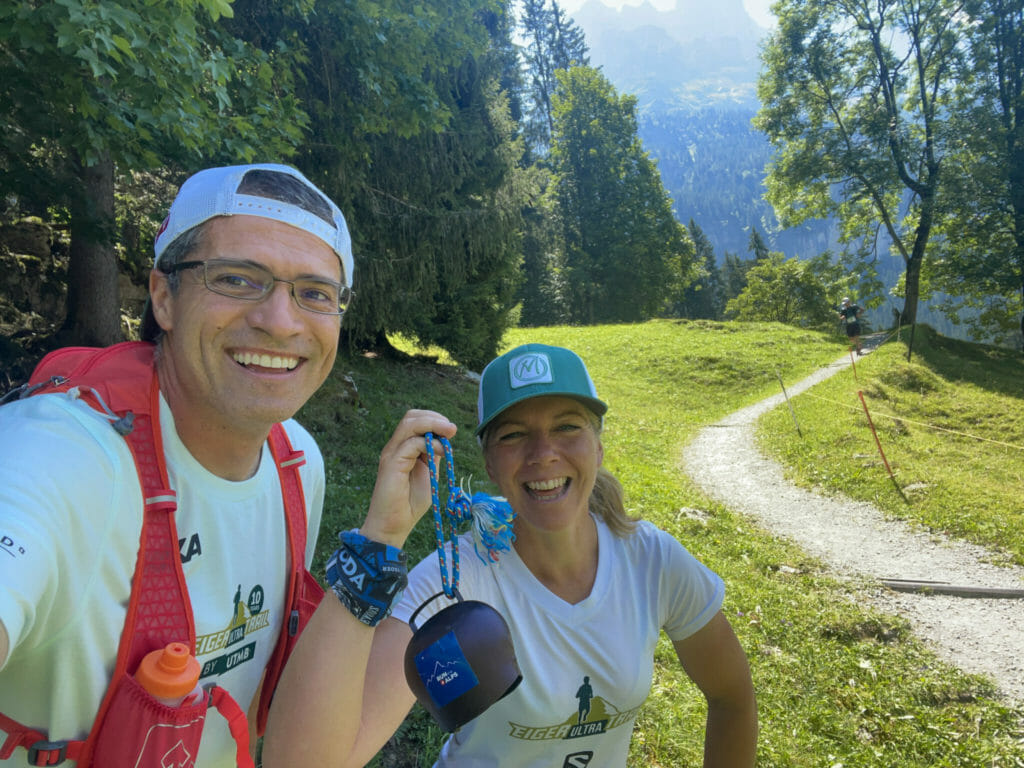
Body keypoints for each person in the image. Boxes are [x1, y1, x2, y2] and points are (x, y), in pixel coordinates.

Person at [0, 163, 356, 766]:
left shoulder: (297, 462)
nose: (280, 320)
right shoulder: (59, 456)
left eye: (315, 293)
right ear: (163, 296)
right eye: (239, 279)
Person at [264, 343, 758, 767]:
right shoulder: (455, 583)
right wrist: (380, 537)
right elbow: (315, 758)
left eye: (568, 427)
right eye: (514, 434)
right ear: (490, 463)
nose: (544, 453)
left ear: (599, 447)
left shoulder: (650, 561)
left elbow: (732, 696)